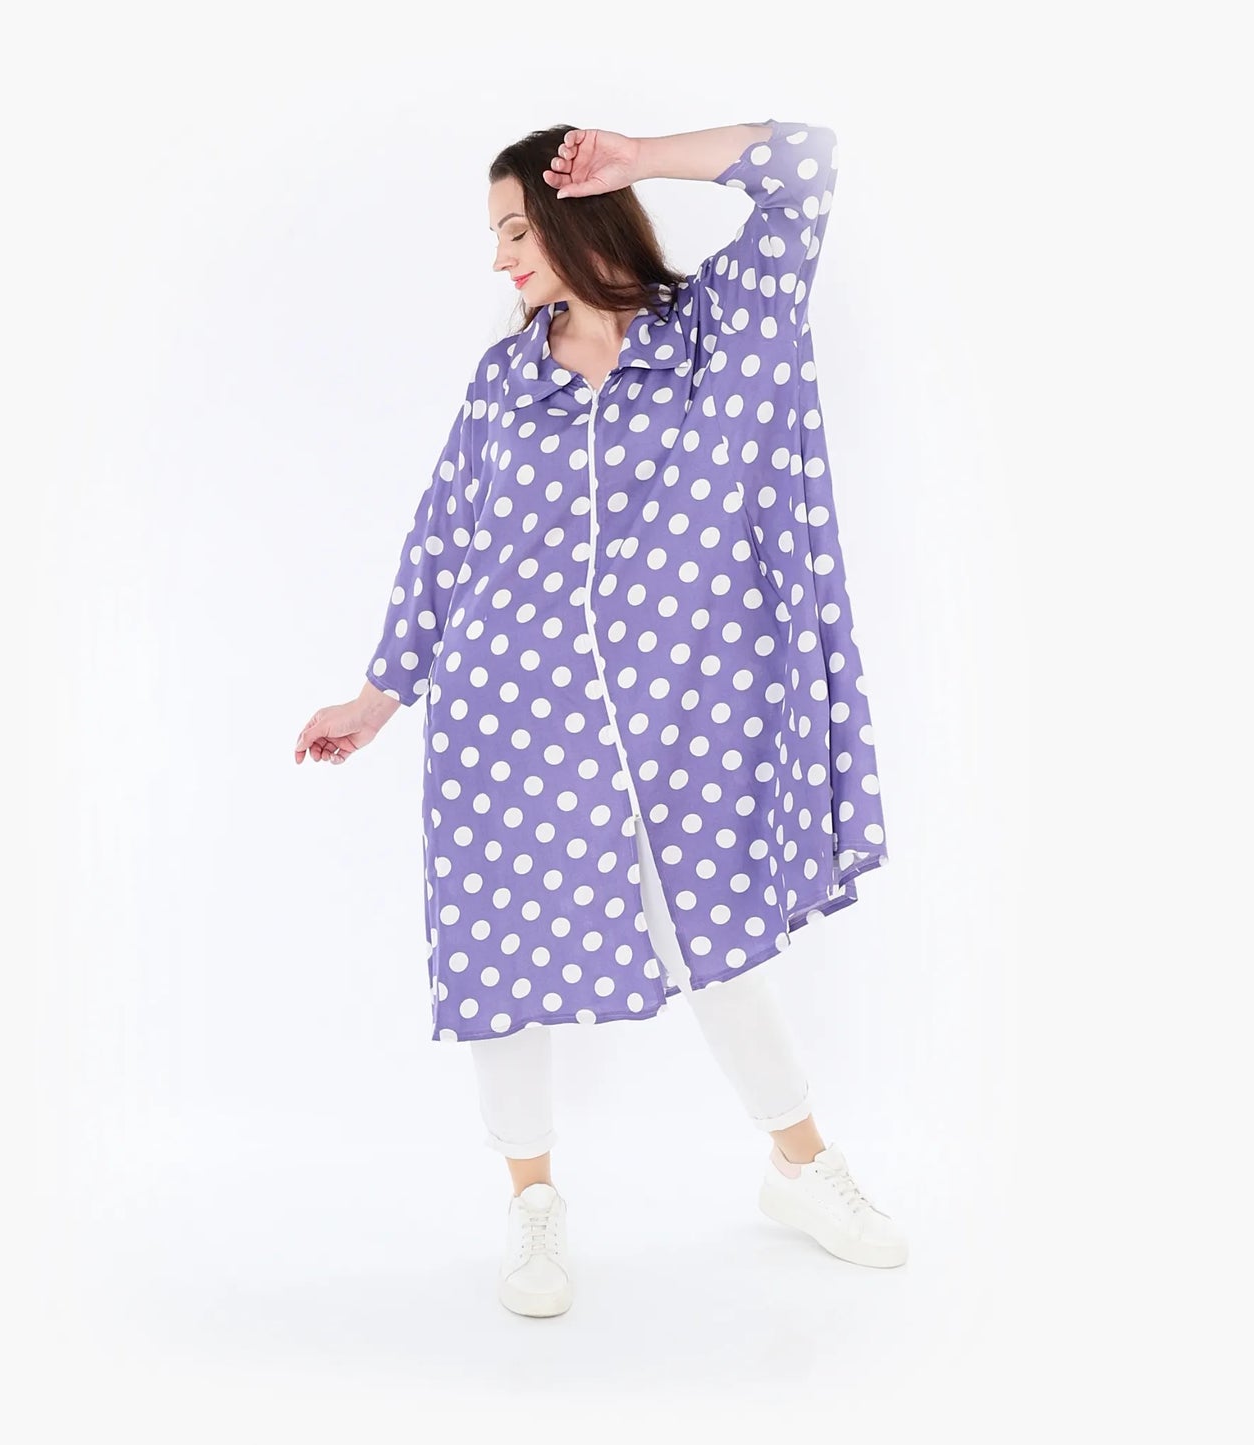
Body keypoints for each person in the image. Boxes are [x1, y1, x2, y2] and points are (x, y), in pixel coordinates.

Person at [295, 119, 906, 1317]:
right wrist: (377, 697)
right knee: (502, 957)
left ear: (576, 218)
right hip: (506, 716)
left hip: (682, 720)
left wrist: (639, 157)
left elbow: (805, 166)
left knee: (713, 937)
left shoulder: (719, 336)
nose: (498, 257)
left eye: (514, 230)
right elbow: (443, 539)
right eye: (495, 236)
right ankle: (531, 1202)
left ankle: (800, 1166)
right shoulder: (504, 380)